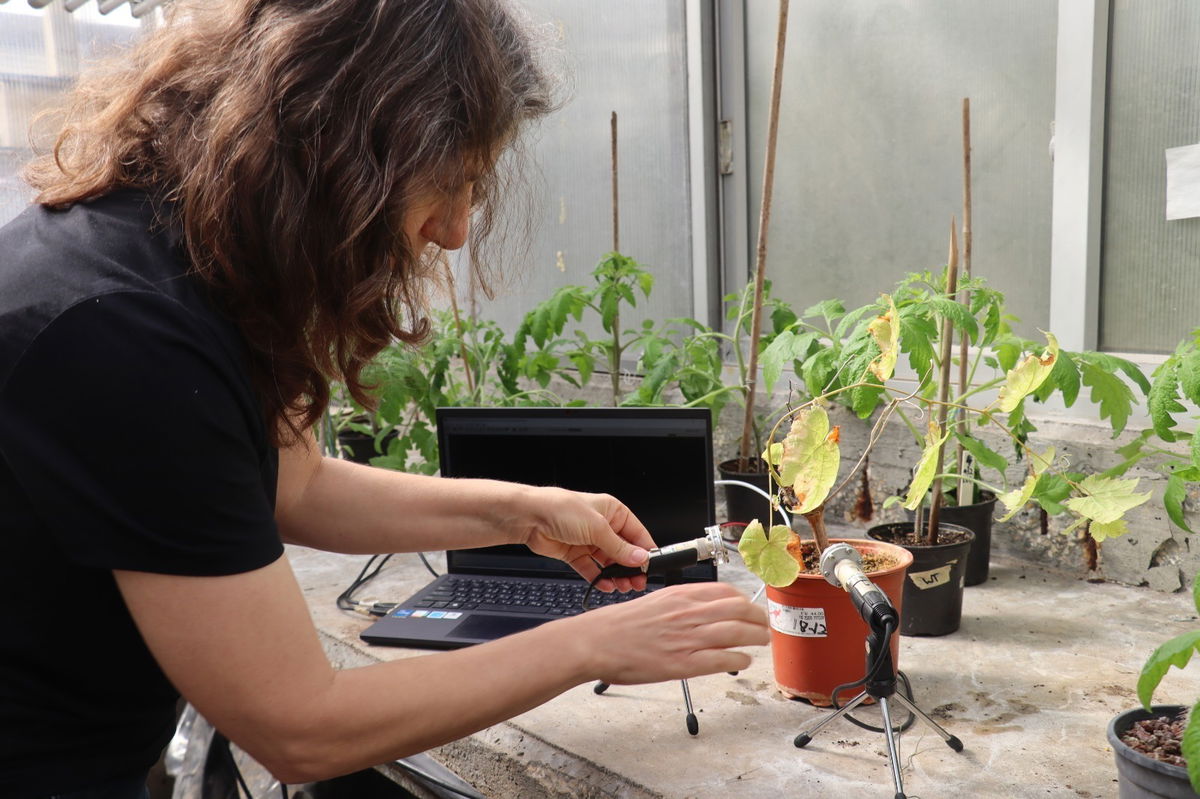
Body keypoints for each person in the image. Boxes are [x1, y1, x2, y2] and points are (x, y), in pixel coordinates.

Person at [0, 1, 770, 796]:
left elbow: (296, 487)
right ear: (343, 155)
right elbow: (301, 723)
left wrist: (522, 510)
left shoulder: (198, 255)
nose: (458, 231)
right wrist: (590, 643)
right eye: (451, 181)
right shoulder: (123, 333)